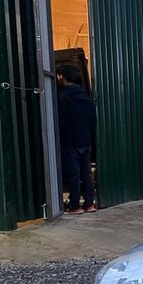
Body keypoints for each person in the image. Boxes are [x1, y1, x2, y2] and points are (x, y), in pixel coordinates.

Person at [56, 65, 97, 213]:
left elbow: (60, 121)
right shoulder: (86, 97)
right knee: (86, 173)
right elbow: (92, 120)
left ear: (63, 77)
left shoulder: (63, 97)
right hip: (85, 140)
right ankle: (89, 203)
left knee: (73, 173)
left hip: (70, 140)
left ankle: (75, 205)